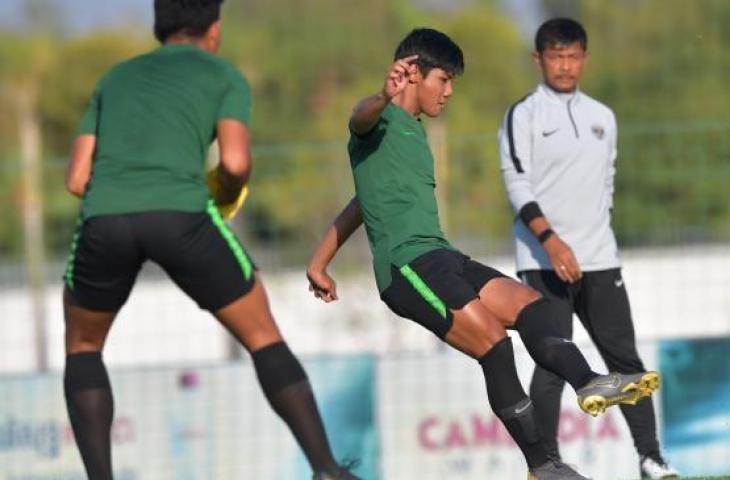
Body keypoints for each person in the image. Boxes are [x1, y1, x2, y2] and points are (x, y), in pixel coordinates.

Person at [307, 27, 659, 480]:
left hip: (442, 256)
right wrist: (380, 94)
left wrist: (319, 263)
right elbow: (359, 117)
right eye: (444, 80)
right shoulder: (374, 123)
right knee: (495, 346)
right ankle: (543, 466)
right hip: (406, 269)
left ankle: (589, 381)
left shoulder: (413, 134)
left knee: (531, 308)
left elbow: (362, 203)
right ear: (412, 73)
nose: (449, 92)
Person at [62, 1, 357, 479]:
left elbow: (77, 179)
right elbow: (236, 163)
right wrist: (221, 192)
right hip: (182, 215)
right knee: (263, 336)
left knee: (83, 347)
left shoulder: (114, 79)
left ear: (159, 25)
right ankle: (326, 469)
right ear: (214, 28)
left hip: (105, 219)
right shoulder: (222, 75)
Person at [498, 18, 679, 479]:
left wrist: (593, 236)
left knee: (625, 361)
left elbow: (607, 182)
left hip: (600, 259)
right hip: (543, 261)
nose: (564, 65)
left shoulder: (604, 116)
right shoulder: (523, 115)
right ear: (538, 59)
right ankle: (548, 465)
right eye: (555, 56)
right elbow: (517, 185)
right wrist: (551, 241)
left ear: (585, 58)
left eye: (572, 55)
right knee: (552, 361)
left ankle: (650, 458)